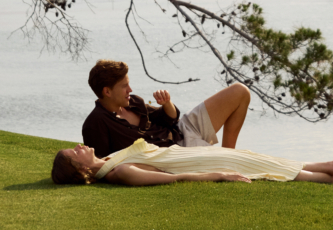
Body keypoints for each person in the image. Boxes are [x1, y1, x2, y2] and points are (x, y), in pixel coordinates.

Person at [82, 59, 250, 158]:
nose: (130, 90)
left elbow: (169, 118)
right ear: (107, 91)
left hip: (183, 129)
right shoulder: (96, 124)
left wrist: (167, 103)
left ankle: (230, 156)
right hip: (176, 154)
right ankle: (228, 161)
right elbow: (103, 165)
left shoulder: (133, 102)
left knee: (240, 92)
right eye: (124, 86)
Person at [51, 139, 333, 186]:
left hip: (190, 153)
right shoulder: (119, 171)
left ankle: (326, 166)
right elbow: (173, 179)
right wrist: (219, 175)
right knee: (255, 167)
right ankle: (326, 178)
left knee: (253, 157)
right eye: (73, 152)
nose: (79, 146)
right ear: (80, 169)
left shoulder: (108, 160)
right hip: (192, 163)